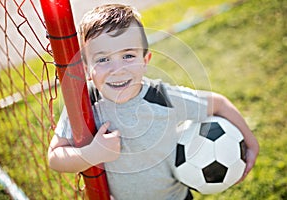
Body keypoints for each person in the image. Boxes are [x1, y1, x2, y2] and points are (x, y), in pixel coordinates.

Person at [48, 4, 259, 200]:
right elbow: (55, 157)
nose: (117, 69)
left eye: (128, 56)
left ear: (145, 61)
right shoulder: (85, 104)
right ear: (87, 69)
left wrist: (251, 143)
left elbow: (219, 103)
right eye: (103, 59)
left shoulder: (162, 98)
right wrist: (92, 154)